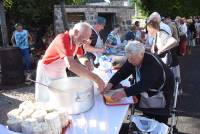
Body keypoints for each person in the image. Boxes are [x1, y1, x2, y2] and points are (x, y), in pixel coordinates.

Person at [103, 40, 174, 123]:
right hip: (148, 89)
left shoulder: (151, 64)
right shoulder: (134, 58)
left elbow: (144, 84)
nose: (129, 61)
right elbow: (121, 73)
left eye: (132, 59)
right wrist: (109, 84)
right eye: (128, 58)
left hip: (162, 91)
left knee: (159, 118)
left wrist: (123, 93)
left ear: (141, 54)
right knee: (147, 116)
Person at [35, 22, 105, 102]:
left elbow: (80, 56)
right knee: (46, 99)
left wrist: (86, 62)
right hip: (46, 71)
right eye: (83, 39)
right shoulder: (62, 39)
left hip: (60, 71)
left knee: (61, 96)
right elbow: (71, 64)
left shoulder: (77, 41)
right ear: (75, 32)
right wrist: (96, 78)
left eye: (86, 40)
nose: (85, 43)